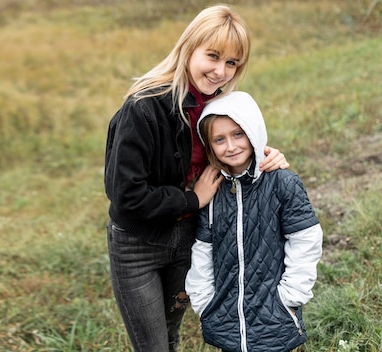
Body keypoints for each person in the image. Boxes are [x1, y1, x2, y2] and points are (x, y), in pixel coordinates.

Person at [103, 4, 289, 351]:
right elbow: (125, 195)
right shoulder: (143, 107)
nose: (221, 71)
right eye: (213, 56)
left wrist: (268, 155)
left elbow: (234, 148)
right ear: (190, 47)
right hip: (138, 245)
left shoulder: (217, 108)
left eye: (232, 62)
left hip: (188, 239)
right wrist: (192, 199)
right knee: (153, 346)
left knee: (171, 336)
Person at [185, 91, 323, 352]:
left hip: (275, 313)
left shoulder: (282, 182)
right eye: (219, 139)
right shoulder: (211, 190)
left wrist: (290, 298)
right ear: (209, 145)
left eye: (238, 134)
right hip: (225, 315)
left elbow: (306, 240)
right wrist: (204, 301)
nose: (231, 146)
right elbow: (202, 250)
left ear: (253, 130)